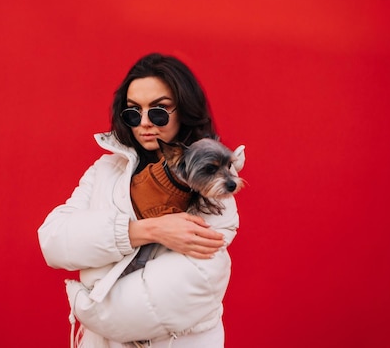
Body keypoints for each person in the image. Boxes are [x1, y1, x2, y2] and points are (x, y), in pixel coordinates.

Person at [38, 53, 243, 347]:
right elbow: (53, 241)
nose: (145, 123)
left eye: (159, 111)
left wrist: (83, 299)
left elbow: (145, 309)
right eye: (133, 112)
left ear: (184, 111)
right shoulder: (106, 169)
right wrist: (144, 230)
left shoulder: (214, 188)